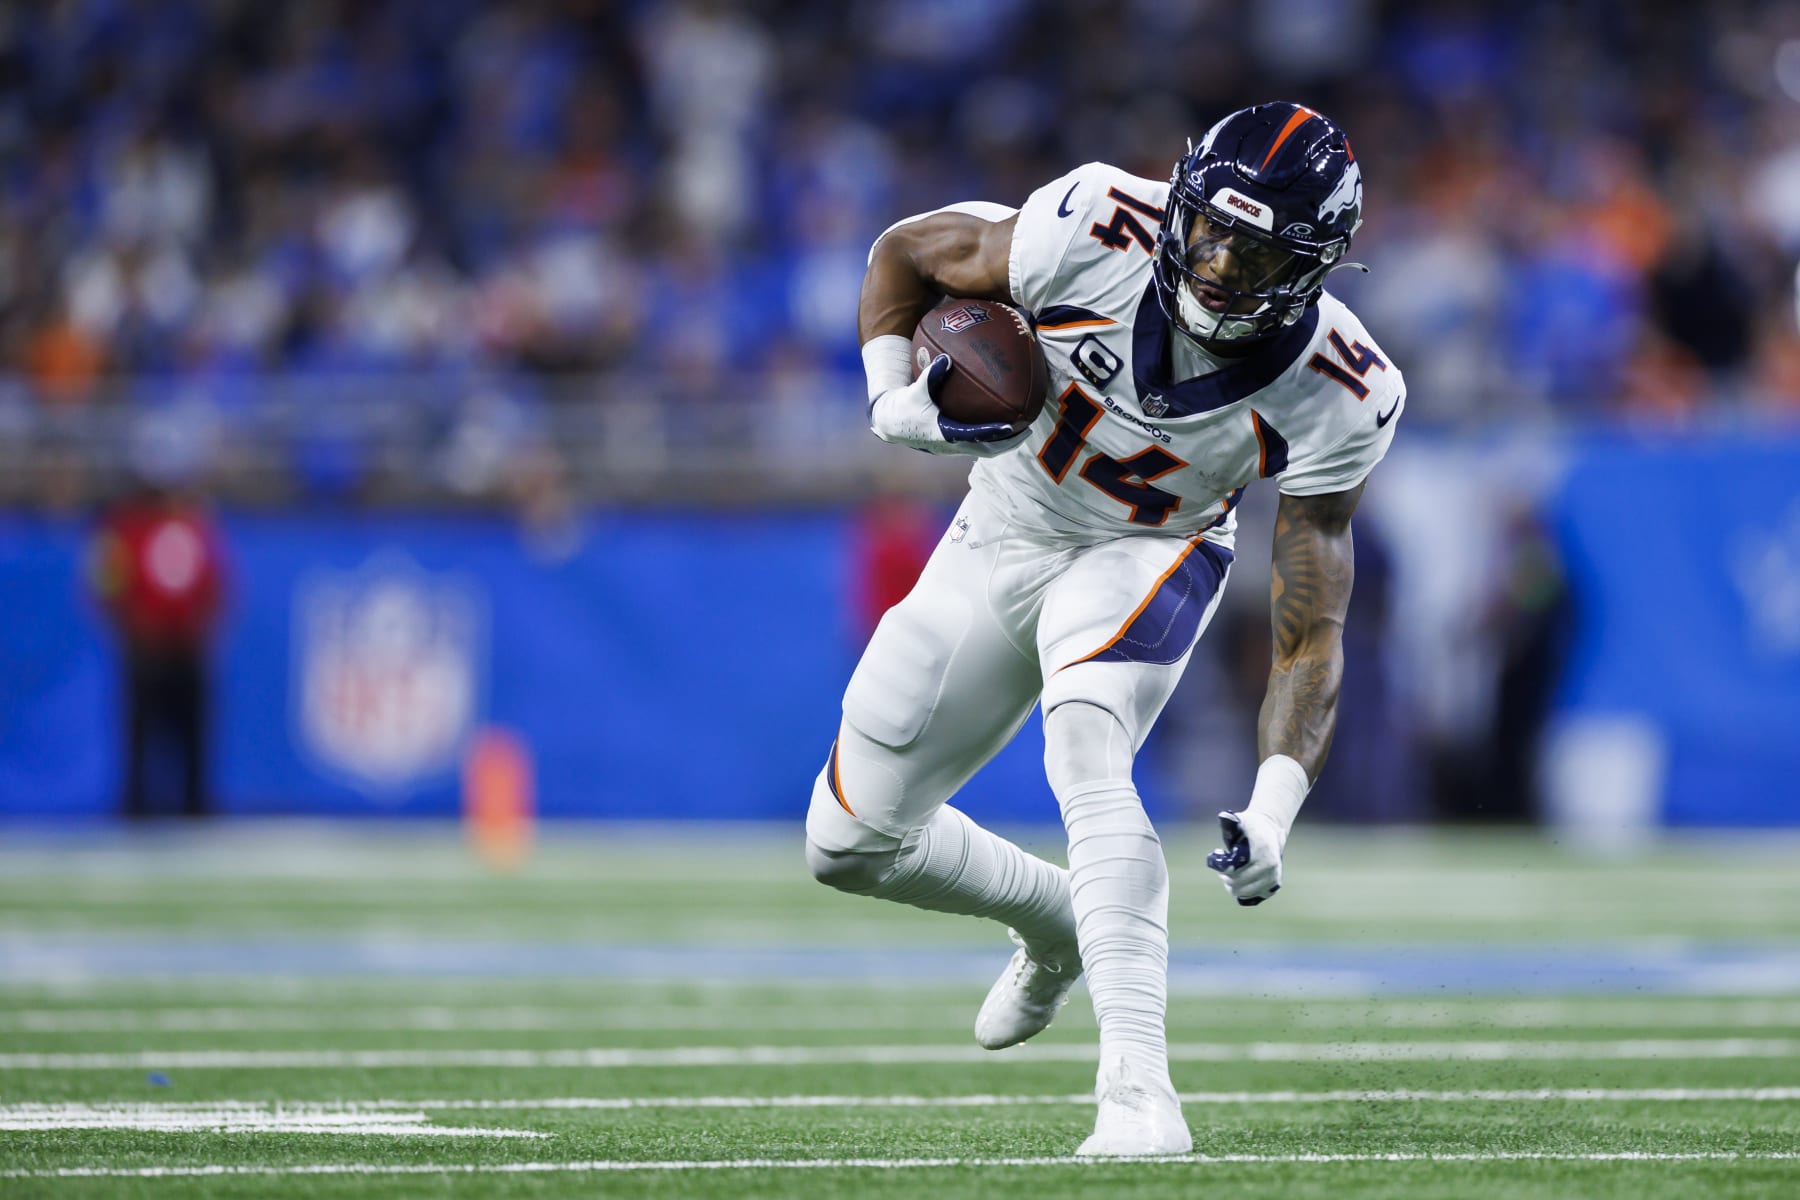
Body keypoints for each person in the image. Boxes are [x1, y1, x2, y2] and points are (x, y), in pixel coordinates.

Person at [803, 102, 1404, 1156]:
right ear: (1180, 206)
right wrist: (891, 399)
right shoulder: (1088, 225)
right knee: (848, 842)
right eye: (1212, 230)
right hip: (1003, 520)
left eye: (1259, 252)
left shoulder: (1338, 390)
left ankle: (1140, 1095)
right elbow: (905, 251)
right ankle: (1059, 924)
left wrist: (1274, 806)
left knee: (1085, 735)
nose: (1220, 266)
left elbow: (1312, 627)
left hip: (1154, 548)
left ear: (1316, 267)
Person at [89, 484, 229, 819]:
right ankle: (136, 806)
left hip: (187, 648)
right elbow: (106, 585)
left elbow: (217, 587)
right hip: (145, 650)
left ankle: (194, 806)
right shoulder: (127, 531)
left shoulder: (197, 529)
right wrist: (129, 630)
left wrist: (201, 631)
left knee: (193, 734)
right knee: (140, 733)